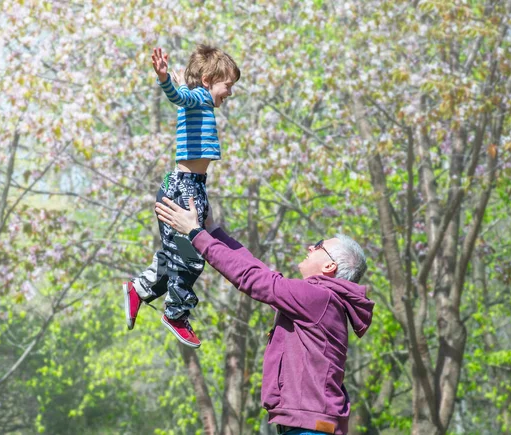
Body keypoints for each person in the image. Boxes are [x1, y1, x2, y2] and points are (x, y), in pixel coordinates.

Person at [155, 197, 375, 435]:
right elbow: (259, 271)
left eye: (319, 245)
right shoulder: (322, 300)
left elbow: (253, 279)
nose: (310, 247)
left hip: (310, 429)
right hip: (310, 426)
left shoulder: (318, 297)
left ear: (329, 267)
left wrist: (196, 233)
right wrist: (214, 231)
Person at [122, 45, 241, 348]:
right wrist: (165, 80)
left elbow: (184, 94)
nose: (230, 93)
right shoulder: (198, 98)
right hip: (185, 187)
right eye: (228, 85)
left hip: (192, 184)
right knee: (190, 259)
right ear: (207, 81)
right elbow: (180, 96)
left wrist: (176, 80)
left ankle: (139, 289)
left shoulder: (199, 99)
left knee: (176, 255)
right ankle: (175, 314)